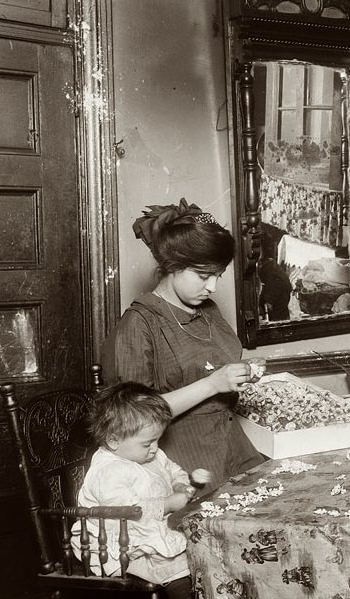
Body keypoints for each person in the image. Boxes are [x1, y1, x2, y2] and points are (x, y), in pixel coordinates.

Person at [103, 198, 264, 485]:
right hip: (181, 466)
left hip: (233, 449)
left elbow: (213, 367)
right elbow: (134, 419)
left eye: (218, 275)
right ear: (173, 265)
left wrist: (240, 373)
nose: (212, 287)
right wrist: (213, 383)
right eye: (203, 275)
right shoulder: (140, 323)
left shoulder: (208, 311)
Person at [75, 381, 206, 599]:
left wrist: (181, 484)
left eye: (157, 440)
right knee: (174, 562)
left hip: (145, 527)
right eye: (148, 443)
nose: (155, 448)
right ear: (113, 440)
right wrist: (169, 504)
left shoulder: (148, 453)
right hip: (115, 539)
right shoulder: (108, 471)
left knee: (200, 544)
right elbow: (126, 511)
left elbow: (172, 470)